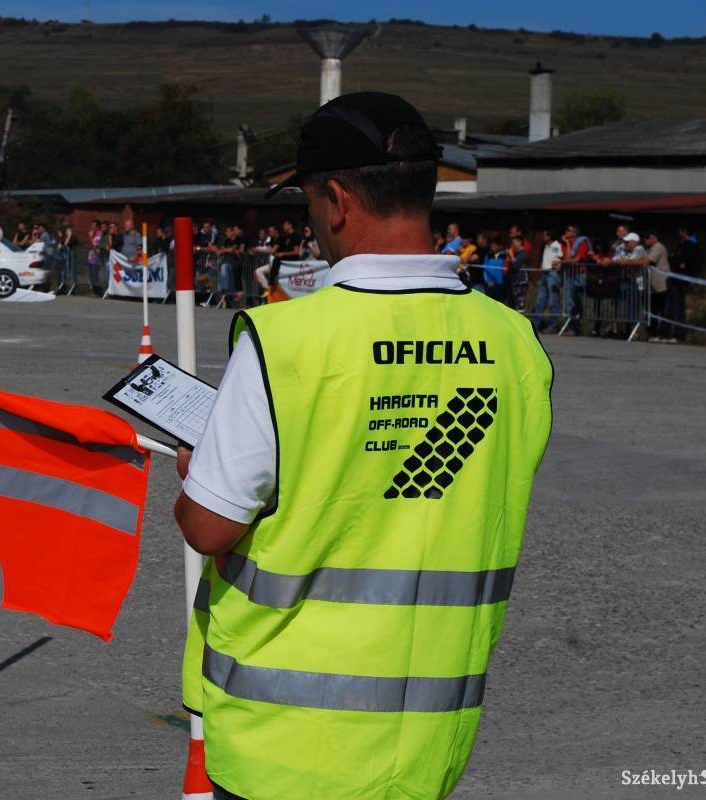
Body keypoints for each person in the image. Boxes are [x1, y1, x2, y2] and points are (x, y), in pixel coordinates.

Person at [174, 92, 552, 800]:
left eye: (309, 205)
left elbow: (209, 525)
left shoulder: (288, 340)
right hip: (427, 744)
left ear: (338, 201)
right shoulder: (515, 346)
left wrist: (200, 472)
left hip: (284, 748)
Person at [555, 224, 593, 336]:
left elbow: (576, 259)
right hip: (569, 276)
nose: (566, 233)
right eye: (566, 230)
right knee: (568, 302)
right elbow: (568, 257)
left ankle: (578, 326)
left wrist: (560, 262)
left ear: (574, 233)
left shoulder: (582, 242)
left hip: (579, 275)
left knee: (577, 301)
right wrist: (566, 243)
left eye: (569, 230)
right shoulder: (565, 244)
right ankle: (572, 327)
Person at [667, 226, 702, 343]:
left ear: (684, 231)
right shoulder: (682, 244)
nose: (678, 233)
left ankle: (680, 334)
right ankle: (672, 332)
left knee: (679, 308)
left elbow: (687, 261)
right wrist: (675, 260)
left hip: (682, 280)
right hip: (675, 279)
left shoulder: (692, 245)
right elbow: (674, 259)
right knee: (672, 307)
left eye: (680, 230)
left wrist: (680, 263)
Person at [533, 229, 563, 332]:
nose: (543, 237)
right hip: (545, 273)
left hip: (553, 273)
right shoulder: (545, 246)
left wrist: (558, 264)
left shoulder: (557, 245)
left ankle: (553, 325)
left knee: (553, 300)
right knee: (540, 300)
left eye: (545, 235)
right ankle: (535, 324)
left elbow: (560, 257)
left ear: (550, 236)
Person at [644, 230, 672, 342]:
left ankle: (664, 334)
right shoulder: (649, 249)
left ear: (654, 238)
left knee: (664, 310)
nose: (645, 240)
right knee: (654, 309)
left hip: (662, 284)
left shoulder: (658, 247)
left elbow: (648, 261)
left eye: (647, 237)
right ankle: (653, 333)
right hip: (654, 285)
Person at [507, 233, 530, 311]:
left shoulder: (523, 253)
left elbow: (516, 265)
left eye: (514, 243)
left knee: (520, 305)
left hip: (521, 282)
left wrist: (511, 255)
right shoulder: (517, 254)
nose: (512, 245)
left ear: (520, 242)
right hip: (515, 282)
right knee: (512, 305)